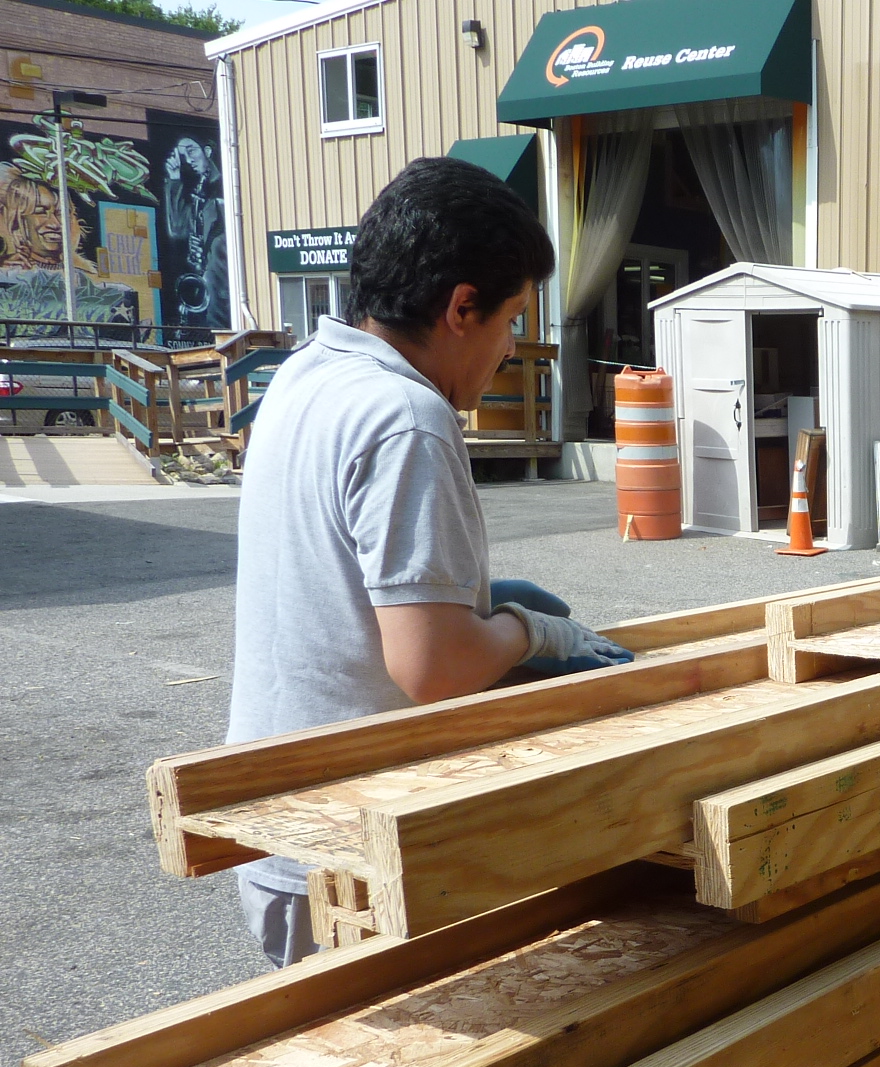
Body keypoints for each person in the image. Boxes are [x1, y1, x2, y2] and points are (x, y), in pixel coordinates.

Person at [227, 157, 632, 967]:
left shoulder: (308, 374)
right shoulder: (405, 415)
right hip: (354, 845)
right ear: (461, 307)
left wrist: (476, 598)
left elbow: (349, 588)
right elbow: (434, 667)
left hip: (282, 817)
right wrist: (530, 634)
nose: (511, 347)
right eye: (510, 318)